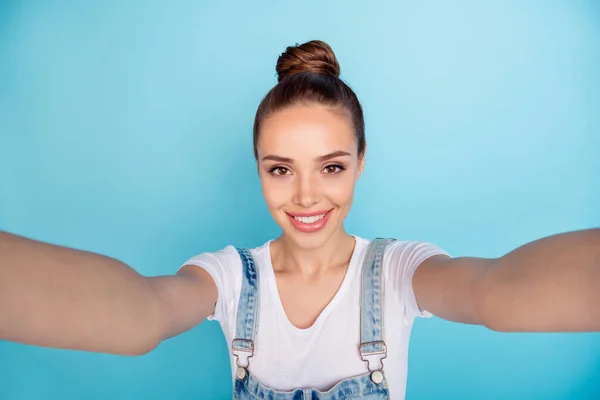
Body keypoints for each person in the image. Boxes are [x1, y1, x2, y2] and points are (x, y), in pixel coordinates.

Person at [0, 40, 598, 400]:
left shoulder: (396, 271)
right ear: (258, 168)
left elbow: (497, 292)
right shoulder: (231, 278)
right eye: (281, 170)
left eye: (331, 167)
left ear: (361, 162)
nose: (307, 197)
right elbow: (141, 311)